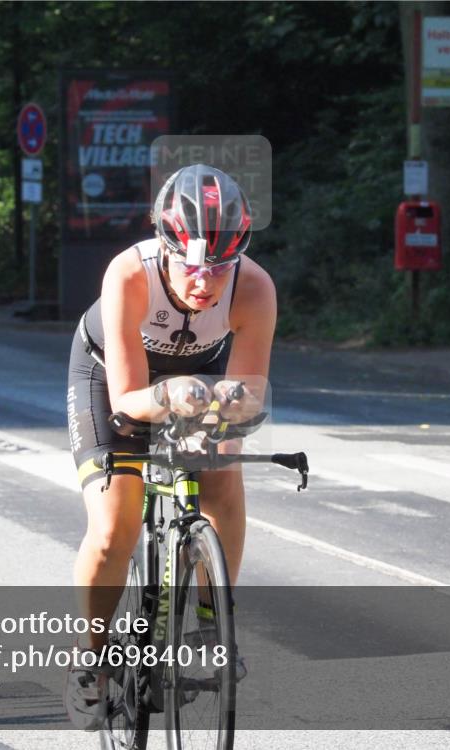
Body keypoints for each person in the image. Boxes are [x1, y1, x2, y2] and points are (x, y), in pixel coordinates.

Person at [64, 164, 276, 729]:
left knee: (223, 472)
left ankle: (211, 621)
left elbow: (252, 395)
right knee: (115, 525)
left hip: (194, 378)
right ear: (164, 248)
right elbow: (130, 399)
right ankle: (92, 658)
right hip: (115, 378)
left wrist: (230, 404)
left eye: (220, 267)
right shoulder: (129, 275)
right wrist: (171, 394)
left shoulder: (254, 287)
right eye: (189, 266)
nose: (204, 282)